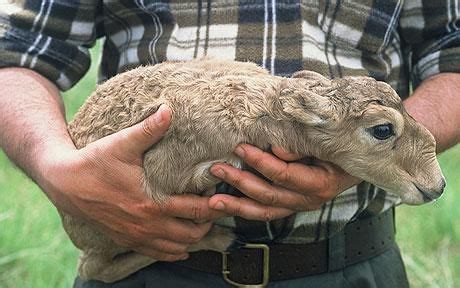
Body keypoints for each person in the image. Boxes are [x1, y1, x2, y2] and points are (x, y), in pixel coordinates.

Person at [0, 1, 459, 287]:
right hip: (149, 270)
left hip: (353, 266)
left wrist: (346, 155)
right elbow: (15, 50)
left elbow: (452, 53)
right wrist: (57, 167)